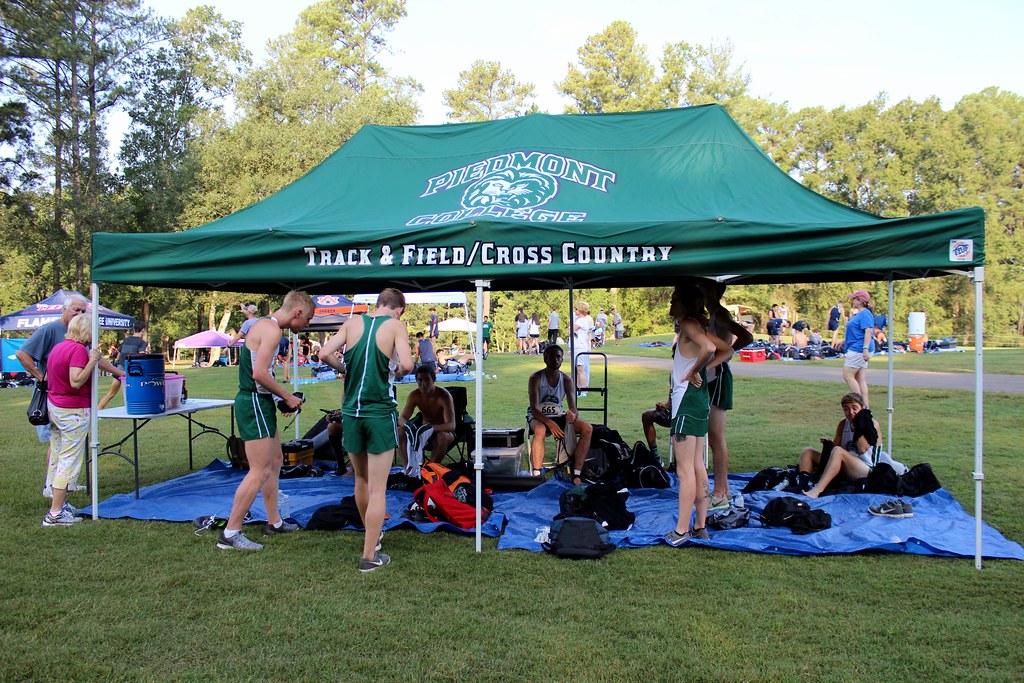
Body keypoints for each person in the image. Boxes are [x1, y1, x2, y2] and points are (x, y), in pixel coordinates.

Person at [320, 288, 414, 572]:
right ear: (398, 310)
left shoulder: (352, 322)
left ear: (377, 304)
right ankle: (369, 554)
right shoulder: (396, 326)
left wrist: (343, 367)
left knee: (360, 480)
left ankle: (371, 538)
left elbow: (324, 353)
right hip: (379, 413)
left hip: (350, 414)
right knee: (378, 488)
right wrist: (396, 371)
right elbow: (408, 364)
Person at [216, 291, 314, 551]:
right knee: (258, 470)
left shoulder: (266, 326)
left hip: (260, 401)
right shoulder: (271, 331)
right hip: (253, 403)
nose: (307, 325)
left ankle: (275, 522)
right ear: (297, 313)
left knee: (275, 461)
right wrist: (288, 397)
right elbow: (259, 373)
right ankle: (230, 533)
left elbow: (262, 372)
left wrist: (278, 397)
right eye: (308, 319)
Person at [17, 294, 124, 498]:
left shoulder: (64, 345)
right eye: (77, 310)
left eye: (83, 311)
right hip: (65, 403)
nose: (80, 314)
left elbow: (94, 359)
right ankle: (56, 501)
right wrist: (42, 378)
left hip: (59, 402)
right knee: (66, 453)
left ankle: (61, 486)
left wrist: (119, 373)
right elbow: (75, 379)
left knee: (60, 447)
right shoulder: (54, 333)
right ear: (65, 310)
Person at [664, 283, 732, 546]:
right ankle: (700, 525)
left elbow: (709, 348)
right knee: (697, 467)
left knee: (684, 470)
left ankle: (681, 531)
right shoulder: (696, 326)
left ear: (685, 303)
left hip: (686, 402)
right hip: (699, 402)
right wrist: (701, 370)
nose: (671, 303)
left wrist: (694, 371)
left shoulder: (689, 325)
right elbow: (727, 350)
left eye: (674, 299)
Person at [40, 313, 104, 526]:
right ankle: (55, 512)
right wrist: (92, 361)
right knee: (69, 460)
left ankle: (57, 500)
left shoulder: (59, 347)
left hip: (55, 406)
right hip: (72, 410)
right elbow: (76, 381)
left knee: (57, 456)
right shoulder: (77, 350)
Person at [699, 280, 753, 509]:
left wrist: (726, 354)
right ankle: (725, 490)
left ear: (711, 291)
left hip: (718, 376)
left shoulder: (719, 314)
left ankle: (720, 490)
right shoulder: (713, 315)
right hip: (713, 375)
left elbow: (747, 337)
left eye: (701, 290)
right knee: (713, 437)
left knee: (716, 437)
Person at [800, 392, 906, 498]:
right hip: (845, 463)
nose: (851, 412)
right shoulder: (843, 423)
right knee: (808, 451)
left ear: (862, 408)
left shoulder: (871, 424)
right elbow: (835, 446)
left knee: (838, 452)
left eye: (854, 408)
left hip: (866, 469)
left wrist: (858, 428)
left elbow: (862, 449)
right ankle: (802, 484)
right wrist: (828, 443)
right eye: (846, 409)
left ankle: (818, 490)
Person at [526, 345, 593, 482]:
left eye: (559, 357)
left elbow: (574, 409)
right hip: (538, 416)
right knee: (540, 429)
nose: (556, 360)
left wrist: (573, 415)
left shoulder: (567, 380)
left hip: (558, 416)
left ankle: (577, 473)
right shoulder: (536, 378)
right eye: (552, 356)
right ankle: (537, 474)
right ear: (545, 358)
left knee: (587, 428)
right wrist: (550, 423)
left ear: (562, 359)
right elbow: (534, 408)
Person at [398, 365, 455, 469]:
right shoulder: (414, 395)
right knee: (400, 432)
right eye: (420, 380)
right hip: (422, 432)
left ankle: (430, 470)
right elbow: (402, 418)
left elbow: (451, 425)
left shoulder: (444, 396)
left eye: (427, 380)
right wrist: (407, 426)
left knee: (441, 437)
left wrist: (430, 428)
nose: (423, 384)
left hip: (444, 432)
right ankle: (409, 469)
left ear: (434, 379)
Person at [835, 290, 875, 408]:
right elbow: (855, 331)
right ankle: (865, 407)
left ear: (860, 301)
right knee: (859, 377)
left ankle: (859, 404)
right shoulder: (860, 314)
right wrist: (844, 340)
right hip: (856, 346)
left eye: (854, 298)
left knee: (847, 375)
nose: (852, 300)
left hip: (858, 349)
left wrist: (865, 349)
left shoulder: (865, 314)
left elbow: (868, 332)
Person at [640, 395, 672, 464]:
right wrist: (663, 406)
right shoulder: (673, 384)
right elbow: (670, 402)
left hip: (687, 416)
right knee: (647, 416)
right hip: (672, 414)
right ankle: (656, 457)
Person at [572, 301, 593, 395]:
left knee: (580, 370)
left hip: (579, 346)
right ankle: (577, 389)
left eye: (576, 309)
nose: (575, 310)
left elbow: (572, 330)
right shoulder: (579, 320)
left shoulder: (581, 320)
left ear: (580, 310)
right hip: (577, 346)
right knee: (577, 370)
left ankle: (583, 390)